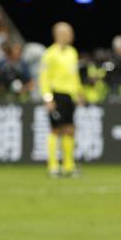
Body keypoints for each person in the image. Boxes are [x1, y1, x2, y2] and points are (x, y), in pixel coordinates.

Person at [39, 22, 83, 177]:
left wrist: (79, 93)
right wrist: (48, 98)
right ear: (59, 34)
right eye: (69, 32)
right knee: (56, 129)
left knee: (70, 129)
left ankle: (68, 166)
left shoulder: (72, 52)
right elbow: (44, 78)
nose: (71, 35)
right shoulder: (49, 54)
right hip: (56, 95)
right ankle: (53, 166)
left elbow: (74, 76)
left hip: (70, 96)